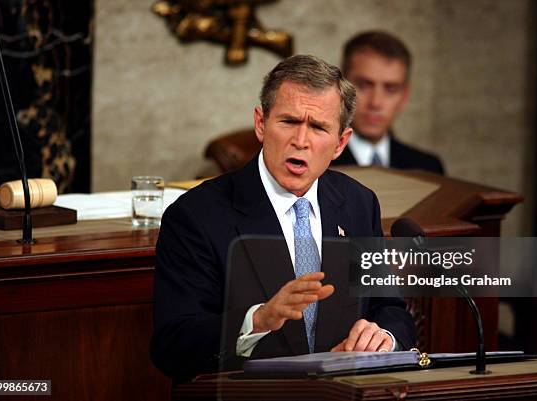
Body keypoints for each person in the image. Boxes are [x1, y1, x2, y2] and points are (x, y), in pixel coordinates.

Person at [150, 55, 416, 381]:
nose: (300, 141)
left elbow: (390, 309)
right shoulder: (195, 216)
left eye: (318, 127)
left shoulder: (359, 204)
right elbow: (172, 345)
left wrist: (383, 339)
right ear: (261, 124)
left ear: (340, 143)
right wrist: (257, 320)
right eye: (289, 122)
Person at [331, 31, 444, 174]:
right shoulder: (316, 165)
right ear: (340, 87)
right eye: (364, 85)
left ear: (404, 95)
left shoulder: (428, 168)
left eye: (391, 89)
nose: (376, 103)